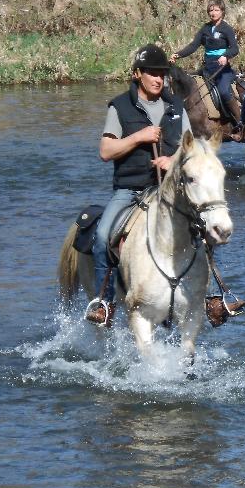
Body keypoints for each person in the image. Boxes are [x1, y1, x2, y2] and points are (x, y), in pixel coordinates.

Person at [86, 44, 191, 326]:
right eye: (153, 73)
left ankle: (211, 295)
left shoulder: (176, 107)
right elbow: (105, 151)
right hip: (130, 191)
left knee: (204, 230)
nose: (159, 79)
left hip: (170, 191)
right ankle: (104, 303)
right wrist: (138, 137)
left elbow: (191, 150)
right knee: (102, 238)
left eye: (162, 74)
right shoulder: (119, 106)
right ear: (137, 74)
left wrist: (173, 161)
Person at [170, 0, 243, 140]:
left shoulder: (226, 29)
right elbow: (193, 46)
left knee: (223, 91)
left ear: (222, 12)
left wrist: (226, 56)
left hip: (223, 70)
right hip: (207, 70)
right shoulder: (205, 29)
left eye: (216, 10)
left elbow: (234, 48)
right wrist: (178, 55)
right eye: (211, 10)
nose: (213, 13)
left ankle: (240, 124)